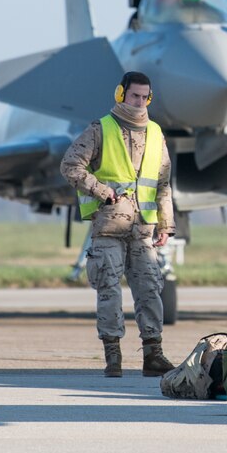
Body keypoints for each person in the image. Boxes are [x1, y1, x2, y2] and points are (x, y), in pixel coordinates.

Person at [60, 71, 176, 378]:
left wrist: (166, 224)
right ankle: (113, 356)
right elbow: (70, 166)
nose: (139, 102)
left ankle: (153, 355)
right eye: (134, 95)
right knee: (109, 290)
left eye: (144, 97)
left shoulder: (155, 134)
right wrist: (101, 191)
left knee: (150, 290)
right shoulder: (101, 129)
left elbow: (163, 184)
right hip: (109, 227)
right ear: (120, 94)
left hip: (143, 231)